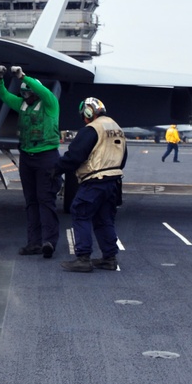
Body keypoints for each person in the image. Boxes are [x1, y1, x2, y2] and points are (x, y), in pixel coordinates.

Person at [0, 64, 61, 259]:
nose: (26, 98)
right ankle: (34, 243)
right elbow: (5, 96)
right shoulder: (22, 104)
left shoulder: (50, 103)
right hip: (27, 157)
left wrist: (23, 77)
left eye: (29, 94)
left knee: (46, 200)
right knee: (31, 202)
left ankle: (49, 242)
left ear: (35, 93)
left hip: (47, 157)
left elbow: (42, 90)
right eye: (23, 95)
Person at [56, 97, 128, 273]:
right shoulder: (116, 128)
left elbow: (75, 156)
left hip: (95, 180)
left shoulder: (92, 129)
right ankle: (109, 258)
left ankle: (83, 258)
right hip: (114, 182)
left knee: (80, 212)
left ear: (88, 113)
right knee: (104, 219)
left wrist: (55, 169)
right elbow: (123, 158)